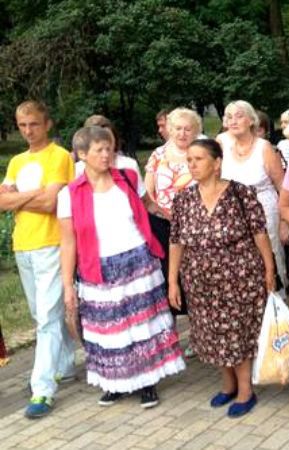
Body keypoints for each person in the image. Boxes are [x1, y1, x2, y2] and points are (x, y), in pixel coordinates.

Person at [58, 126, 185, 408]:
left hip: (138, 261)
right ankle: (115, 383)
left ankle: (147, 381)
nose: (106, 155)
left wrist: (178, 218)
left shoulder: (127, 177)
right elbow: (68, 243)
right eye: (99, 150)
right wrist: (68, 285)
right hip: (97, 268)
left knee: (142, 325)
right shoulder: (69, 195)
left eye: (109, 149)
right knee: (108, 329)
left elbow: (148, 205)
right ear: (81, 155)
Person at [169, 139, 277, 417]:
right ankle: (227, 385)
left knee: (236, 333)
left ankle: (245, 390)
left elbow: (259, 233)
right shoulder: (183, 199)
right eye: (189, 160)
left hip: (239, 277)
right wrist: (172, 280)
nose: (192, 165)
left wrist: (269, 269)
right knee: (212, 333)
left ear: (216, 163)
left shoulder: (241, 194)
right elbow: (176, 241)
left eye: (199, 159)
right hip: (199, 281)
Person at [0, 101, 76, 418]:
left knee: (46, 318)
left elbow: (51, 204)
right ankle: (66, 364)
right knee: (41, 313)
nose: (28, 131)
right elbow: (3, 202)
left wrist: (19, 198)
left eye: (33, 124)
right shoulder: (16, 161)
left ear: (47, 124)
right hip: (23, 244)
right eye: (22, 126)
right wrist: (34, 195)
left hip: (51, 243)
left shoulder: (59, 156)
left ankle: (42, 390)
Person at [219, 100, 287, 289]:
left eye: (239, 116)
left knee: (270, 253)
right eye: (229, 116)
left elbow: (282, 186)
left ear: (251, 120)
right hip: (232, 211)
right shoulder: (222, 143)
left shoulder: (264, 147)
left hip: (264, 207)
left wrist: (284, 222)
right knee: (239, 258)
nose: (233, 121)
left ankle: (276, 302)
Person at [144, 107, 201, 320]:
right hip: (163, 224)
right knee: (168, 276)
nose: (182, 133)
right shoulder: (158, 155)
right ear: (170, 129)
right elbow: (148, 191)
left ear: (195, 131)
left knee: (196, 277)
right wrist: (164, 213)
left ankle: (199, 330)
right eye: (178, 128)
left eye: (188, 129)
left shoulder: (200, 153)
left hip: (196, 224)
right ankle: (171, 331)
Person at [77, 115, 141, 179]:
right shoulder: (78, 169)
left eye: (109, 138)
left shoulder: (129, 165)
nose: (106, 143)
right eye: (99, 139)